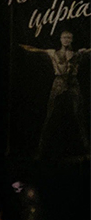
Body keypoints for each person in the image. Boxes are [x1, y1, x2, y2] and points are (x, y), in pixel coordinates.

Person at [20, 31, 91, 159]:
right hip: (59, 82)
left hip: (72, 83)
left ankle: (87, 149)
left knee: (79, 115)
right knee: (50, 115)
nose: (66, 40)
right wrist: (20, 45)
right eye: (64, 37)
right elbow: (35, 50)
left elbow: (88, 51)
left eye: (68, 37)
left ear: (71, 39)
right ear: (60, 39)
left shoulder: (77, 53)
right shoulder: (53, 52)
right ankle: (40, 150)